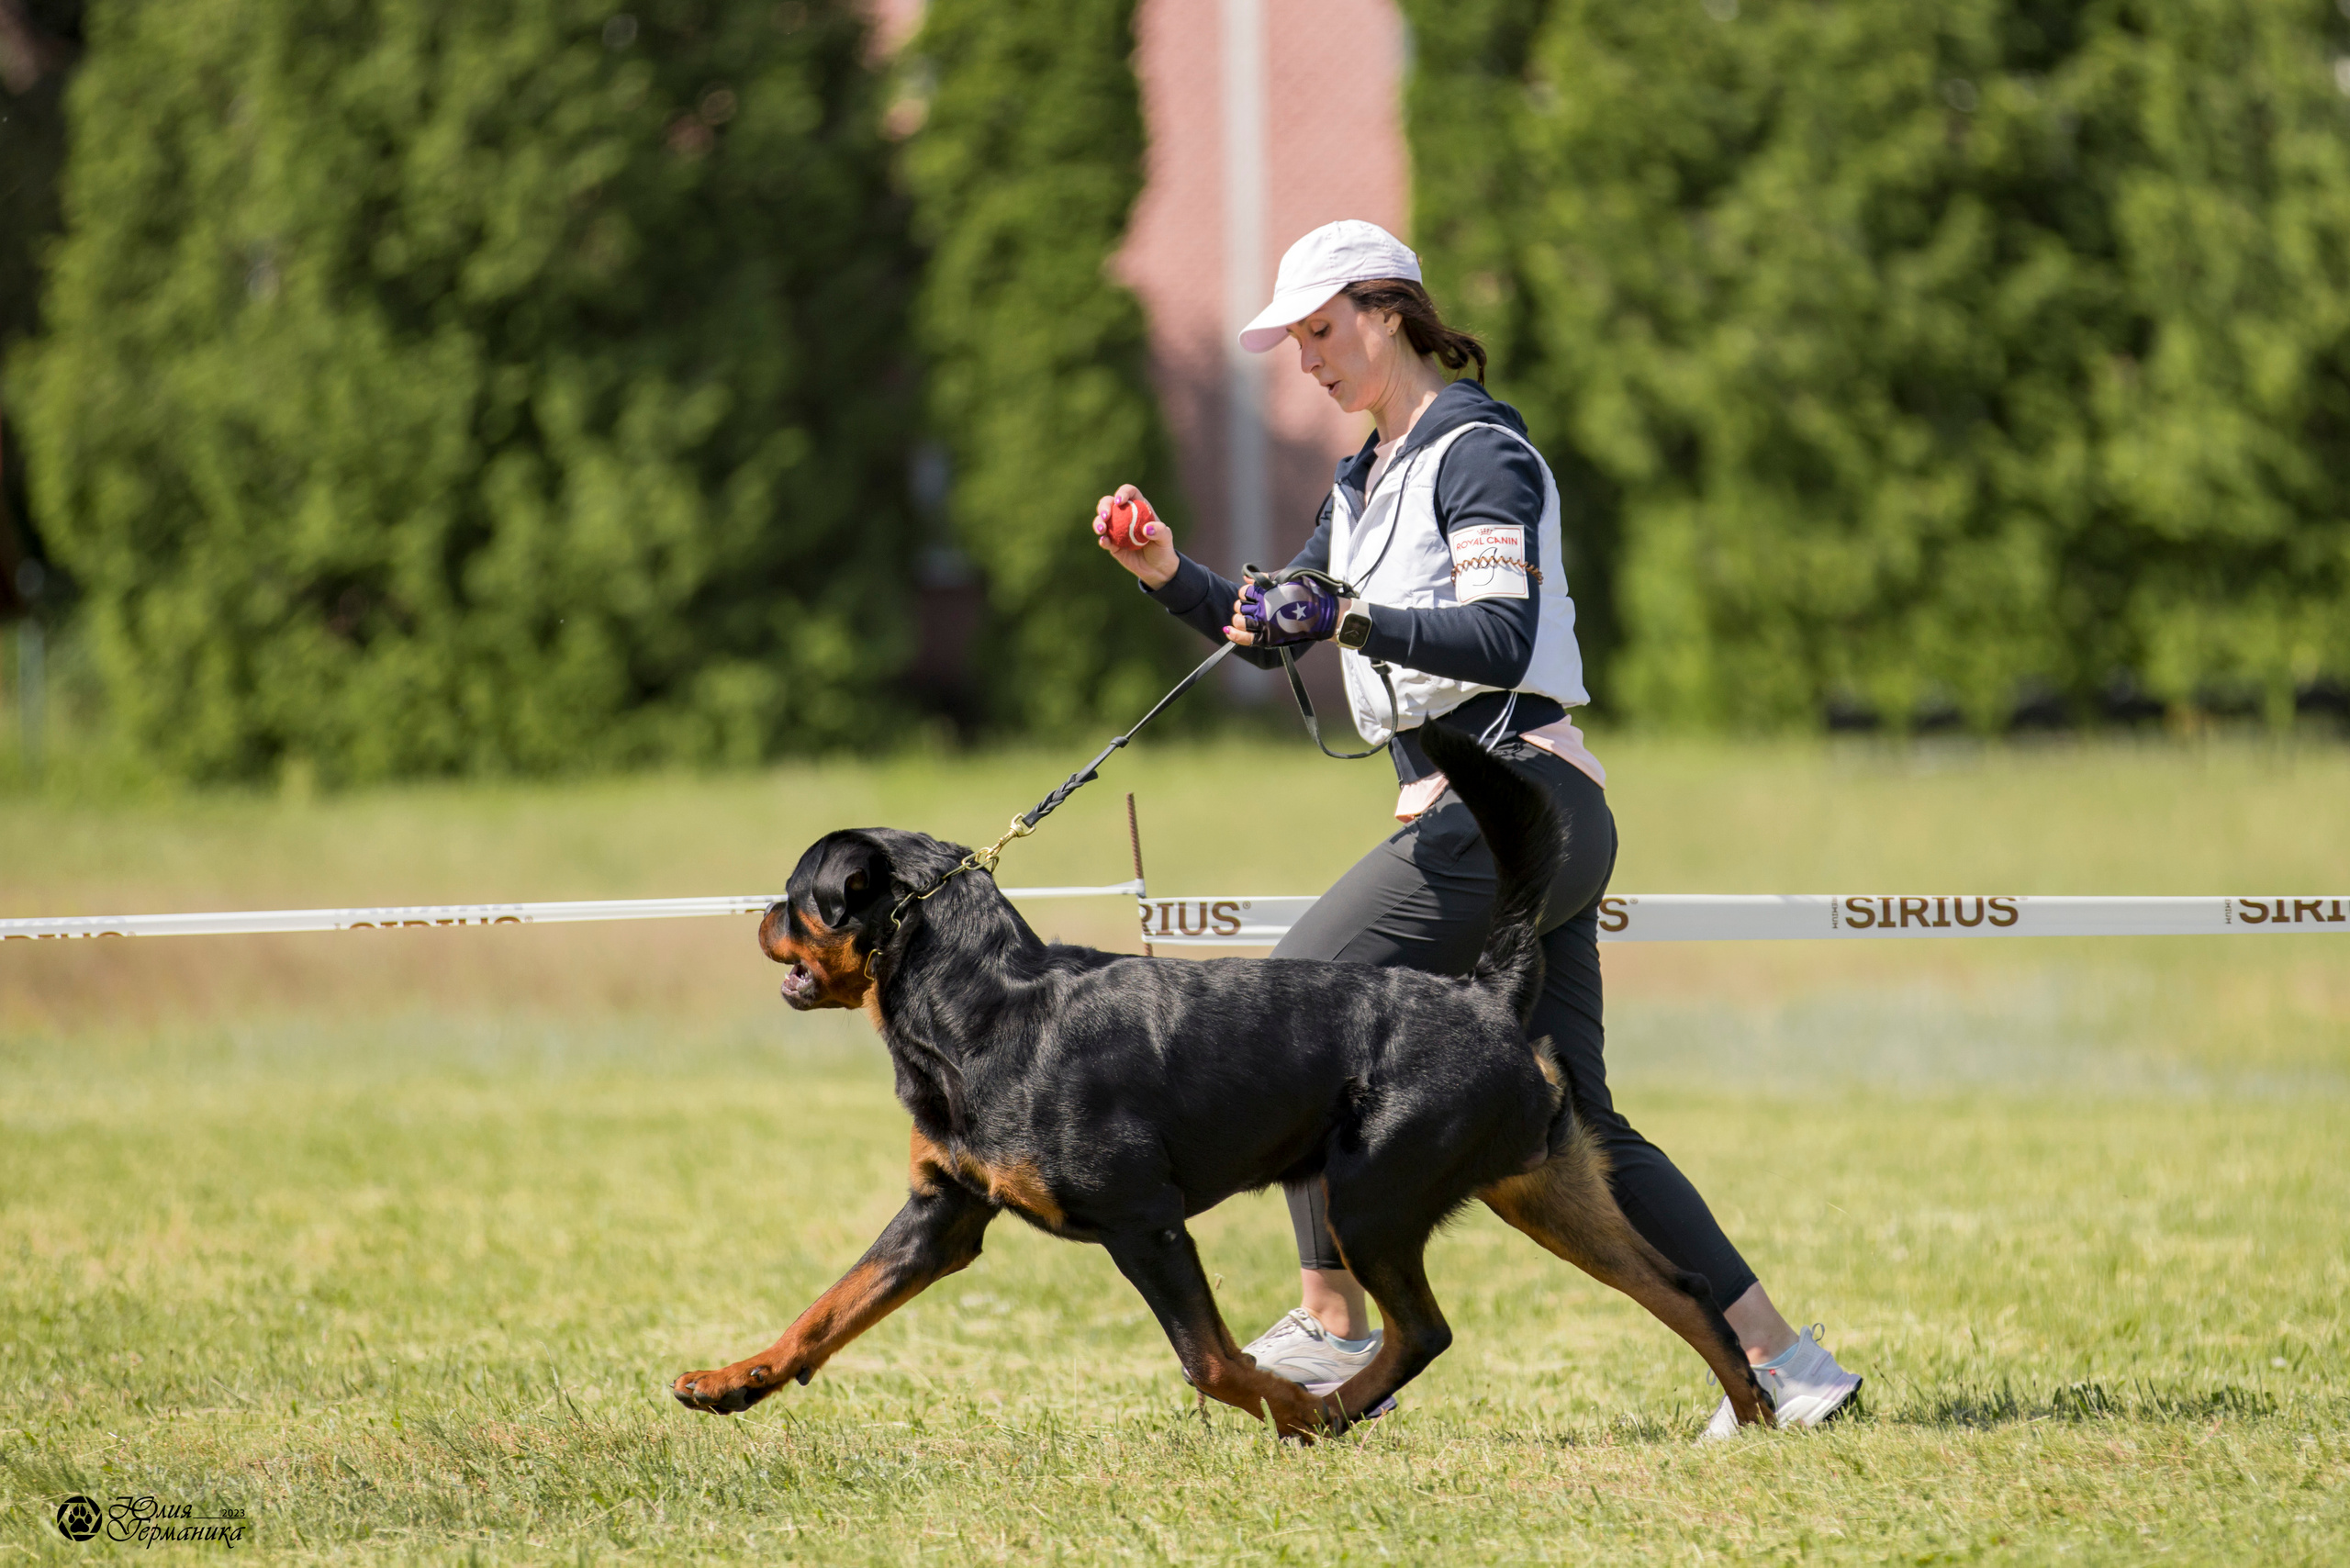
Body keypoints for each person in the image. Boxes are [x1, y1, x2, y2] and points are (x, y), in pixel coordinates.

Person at [1089, 220, 1862, 1437]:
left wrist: (1349, 612)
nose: (1309, 360)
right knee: (1579, 1129)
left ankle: (1334, 1322)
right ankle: (1784, 1363)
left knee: (1294, 1006)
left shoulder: (1480, 451)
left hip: (1513, 807)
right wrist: (1170, 575)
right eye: (1296, 342)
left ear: (1386, 312)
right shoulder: (1364, 476)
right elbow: (1276, 619)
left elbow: (1497, 637)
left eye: (1322, 332)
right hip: (1503, 827)